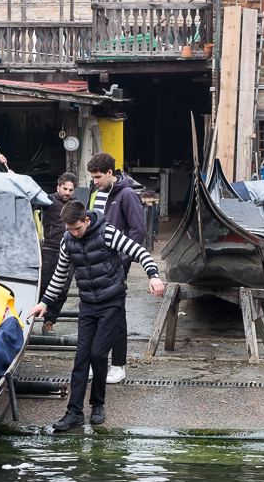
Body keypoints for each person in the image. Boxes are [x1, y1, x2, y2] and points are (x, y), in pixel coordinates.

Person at [26, 200, 165, 431]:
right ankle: (74, 412)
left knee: (98, 354)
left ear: (87, 220)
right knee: (81, 357)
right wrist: (44, 302)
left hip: (112, 301)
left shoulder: (107, 233)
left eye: (77, 229)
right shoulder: (67, 241)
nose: (74, 233)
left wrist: (153, 275)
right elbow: (60, 276)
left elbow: (139, 251)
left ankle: (98, 405)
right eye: (70, 230)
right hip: (88, 304)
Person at [86, 152, 147, 384]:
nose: (95, 181)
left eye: (99, 176)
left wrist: (122, 259)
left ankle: (119, 365)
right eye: (93, 177)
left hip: (116, 263)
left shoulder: (127, 195)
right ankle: (98, 361)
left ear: (111, 173)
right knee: (94, 313)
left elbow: (138, 231)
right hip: (95, 262)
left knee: (116, 314)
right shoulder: (96, 191)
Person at [39, 172, 78, 335]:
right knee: (42, 286)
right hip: (49, 249)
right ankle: (27, 318)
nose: (67, 193)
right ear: (58, 187)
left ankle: (49, 322)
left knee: (62, 290)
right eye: (64, 189)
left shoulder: (77, 205)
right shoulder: (47, 200)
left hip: (69, 252)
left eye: (70, 190)